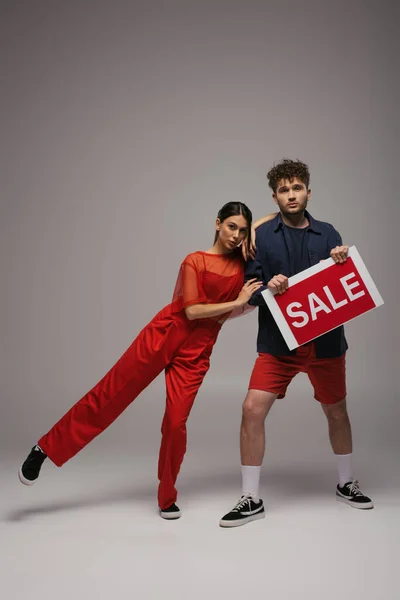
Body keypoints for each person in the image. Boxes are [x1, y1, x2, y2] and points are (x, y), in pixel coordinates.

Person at [19, 202, 268, 520]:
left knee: (176, 424)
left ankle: (167, 496)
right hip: (166, 334)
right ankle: (45, 449)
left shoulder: (242, 264)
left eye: (243, 230)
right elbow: (192, 311)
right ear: (217, 224)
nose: (237, 235)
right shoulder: (194, 260)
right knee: (108, 396)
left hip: (198, 351)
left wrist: (272, 217)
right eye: (231, 226)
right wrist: (238, 301)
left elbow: (263, 230)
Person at [220, 159, 373, 528]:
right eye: (284, 190)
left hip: (326, 345)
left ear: (308, 191)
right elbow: (249, 293)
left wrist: (342, 261)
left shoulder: (329, 233)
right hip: (278, 344)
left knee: (337, 411)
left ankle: (346, 483)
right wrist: (269, 289)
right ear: (275, 197)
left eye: (297, 188)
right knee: (251, 409)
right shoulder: (262, 236)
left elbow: (342, 288)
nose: (291, 195)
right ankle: (250, 496)